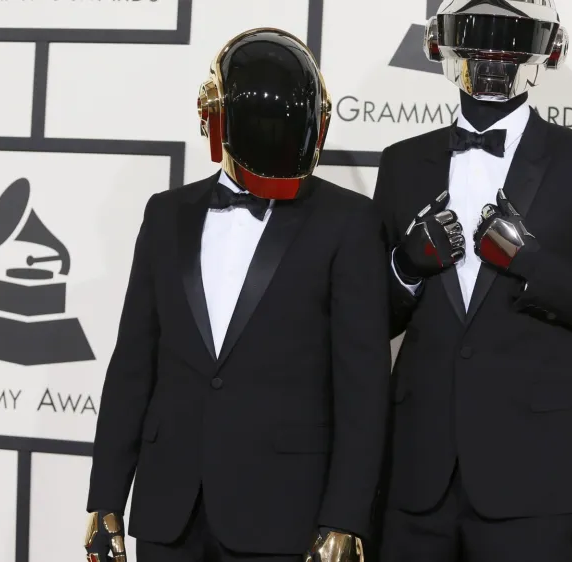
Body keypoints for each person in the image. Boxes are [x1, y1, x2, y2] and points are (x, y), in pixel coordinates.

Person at [83, 28, 390, 562]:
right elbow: (133, 365)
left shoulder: (349, 222)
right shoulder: (165, 215)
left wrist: (345, 518)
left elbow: (363, 388)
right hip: (167, 516)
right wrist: (106, 499)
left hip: (284, 517)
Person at [372, 1, 572, 561]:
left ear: (543, 50)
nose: (491, 56)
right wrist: (405, 266)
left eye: (509, 40)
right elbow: (369, 322)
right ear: (441, 45)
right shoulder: (401, 163)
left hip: (535, 478)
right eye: (474, 38)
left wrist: (532, 261)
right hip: (416, 473)